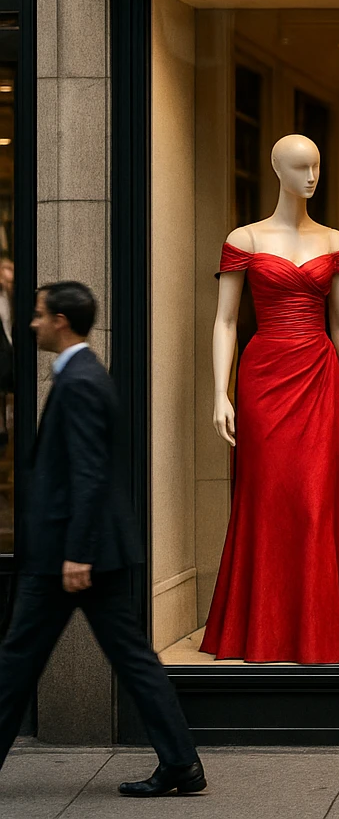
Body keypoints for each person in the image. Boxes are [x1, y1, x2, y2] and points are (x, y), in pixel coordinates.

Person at [0, 282, 204, 795]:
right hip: (84, 551)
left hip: (69, 555)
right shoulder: (81, 375)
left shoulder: (82, 380)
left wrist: (77, 553)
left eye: (39, 315)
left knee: (17, 662)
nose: (32, 324)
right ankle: (181, 763)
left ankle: (182, 763)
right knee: (131, 659)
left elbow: (90, 475)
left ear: (61, 322)